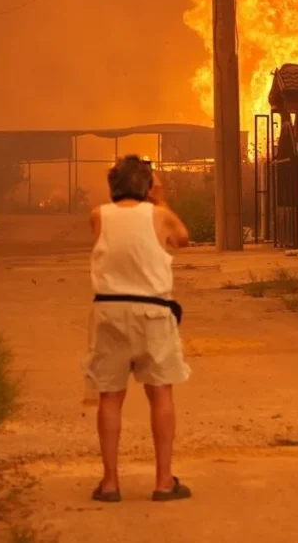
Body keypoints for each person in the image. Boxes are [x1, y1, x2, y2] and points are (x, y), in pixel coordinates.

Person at [85, 155, 193, 502]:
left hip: (109, 311)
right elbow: (182, 239)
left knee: (110, 396)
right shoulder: (158, 214)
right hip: (152, 311)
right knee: (160, 391)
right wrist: (159, 198)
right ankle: (163, 482)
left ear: (112, 186)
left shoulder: (99, 216)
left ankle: (110, 482)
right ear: (147, 185)